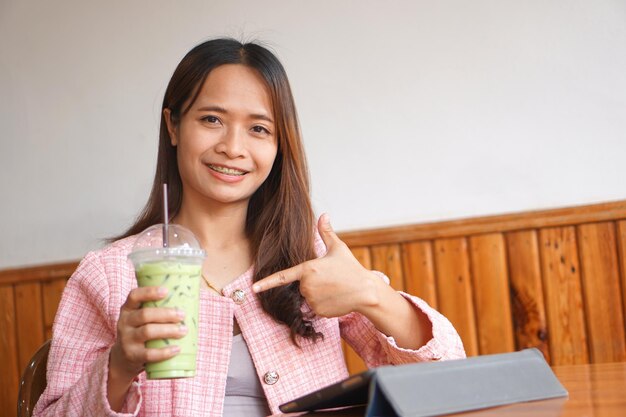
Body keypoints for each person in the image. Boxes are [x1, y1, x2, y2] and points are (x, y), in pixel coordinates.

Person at [34, 38, 465, 417]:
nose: (233, 148)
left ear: (279, 146)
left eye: (259, 129)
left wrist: (372, 294)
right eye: (211, 120)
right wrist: (119, 367)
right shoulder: (108, 275)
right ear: (173, 126)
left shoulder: (309, 259)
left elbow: (448, 383)